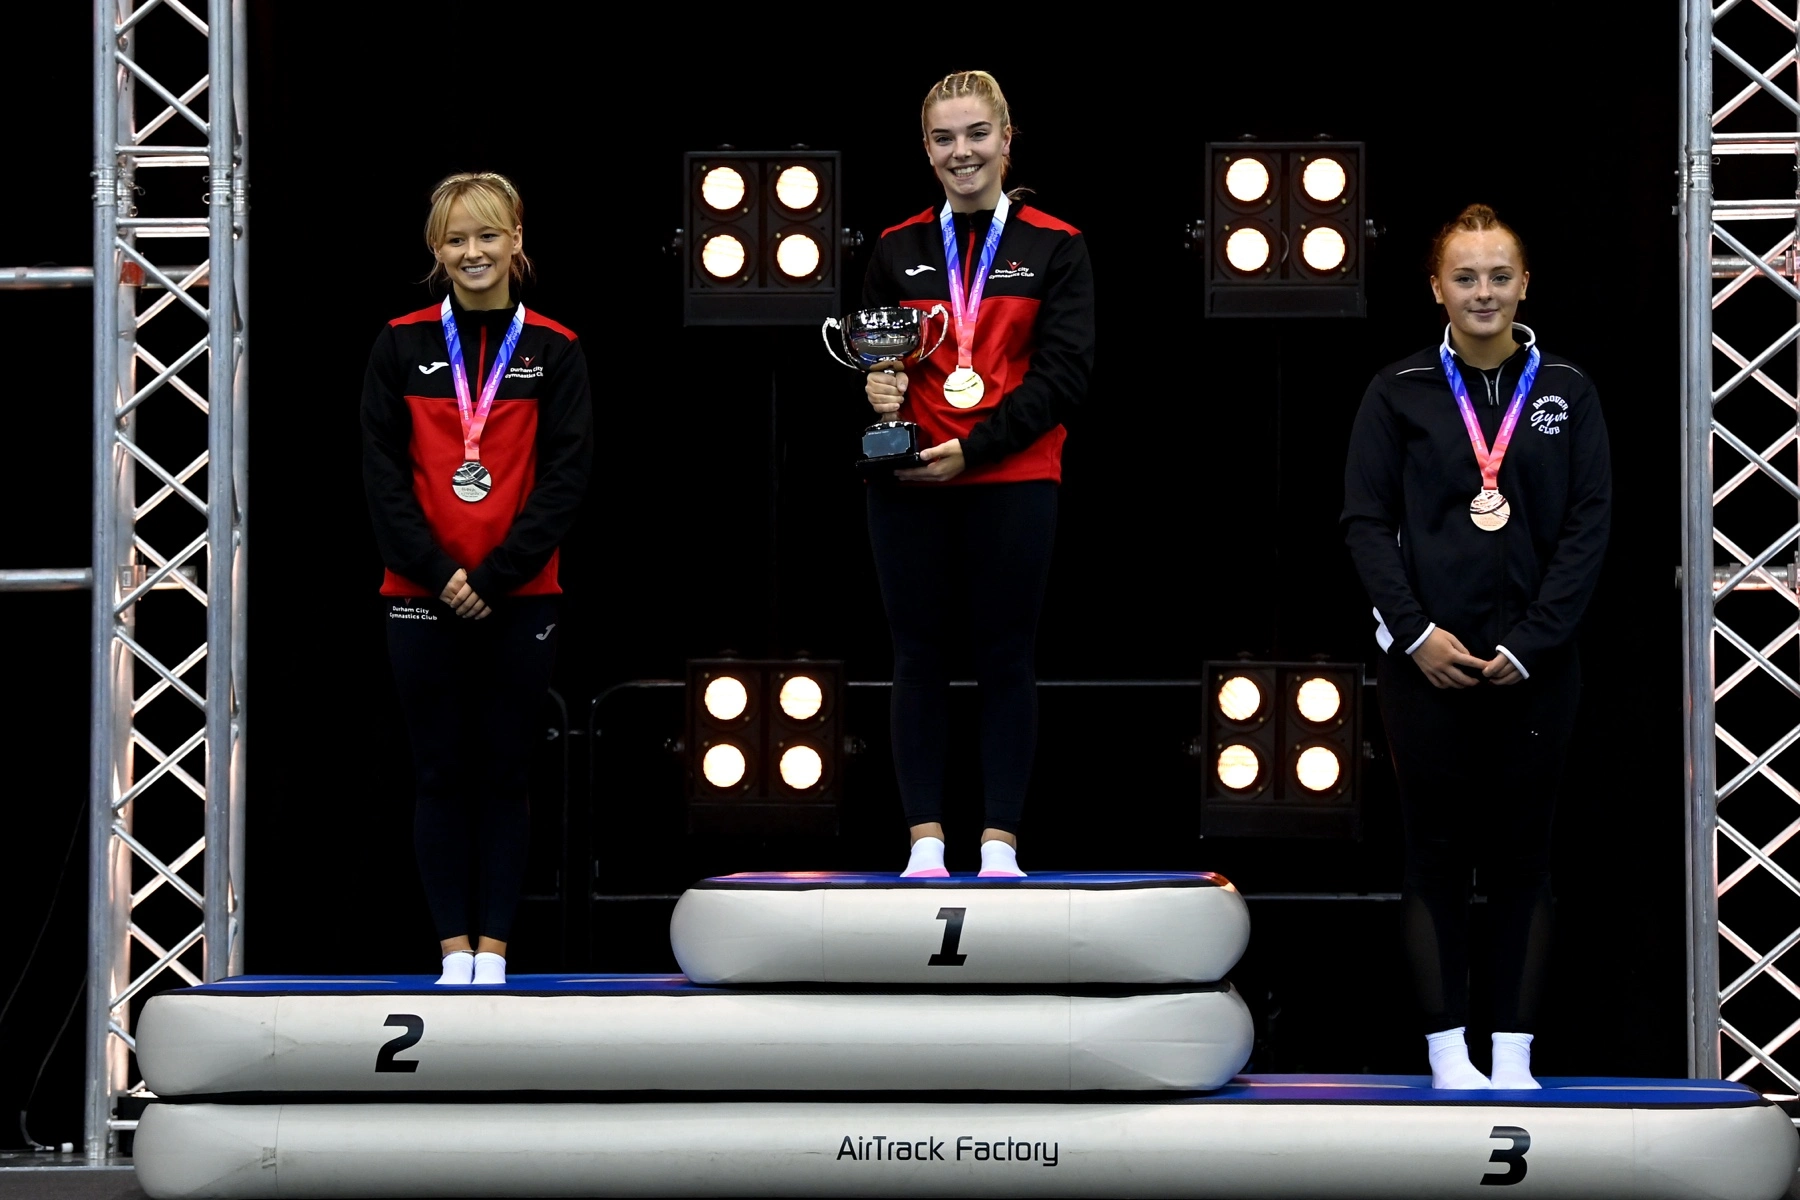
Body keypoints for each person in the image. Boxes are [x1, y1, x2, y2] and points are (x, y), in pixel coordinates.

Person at [1342, 204, 1610, 1088]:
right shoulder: (1398, 391)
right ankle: (1450, 1055)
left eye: (1499, 276)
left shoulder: (1567, 389)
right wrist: (1416, 635)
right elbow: (1365, 523)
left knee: (1528, 858)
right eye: (1465, 277)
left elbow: (1588, 527)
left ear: (1525, 284)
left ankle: (1514, 1057)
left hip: (1538, 669)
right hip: (1427, 669)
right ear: (1436, 288)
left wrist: (1534, 643)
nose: (1483, 292)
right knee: (1435, 857)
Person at [861, 70, 1095, 879]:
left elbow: (1065, 374)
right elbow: (877, 360)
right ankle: (925, 847)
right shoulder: (895, 247)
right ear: (926, 150)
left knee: (1006, 658)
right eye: (944, 138)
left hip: (1014, 480)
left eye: (976, 134)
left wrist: (979, 447)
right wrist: (879, 389)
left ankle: (999, 848)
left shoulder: (1056, 245)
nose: (962, 152)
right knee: (916, 658)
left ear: (1006, 138)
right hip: (913, 484)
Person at [361, 172, 593, 986]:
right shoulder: (400, 344)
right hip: (418, 596)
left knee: (504, 773)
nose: (473, 252)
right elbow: (382, 479)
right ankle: (450, 951)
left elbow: (566, 478)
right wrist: (438, 573)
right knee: (438, 772)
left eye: (487, 235)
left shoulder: (554, 349)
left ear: (516, 240)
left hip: (521, 595)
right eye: (456, 239)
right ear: (436, 249)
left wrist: (493, 575)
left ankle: (492, 952)